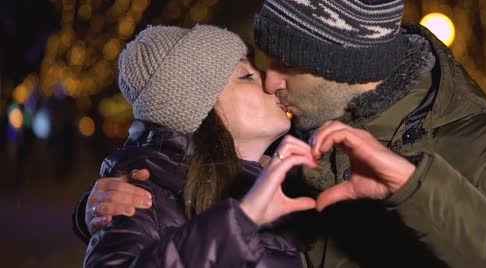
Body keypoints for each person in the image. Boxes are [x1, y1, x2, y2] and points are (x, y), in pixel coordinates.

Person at [76, 0, 486, 267]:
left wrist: (417, 191)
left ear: (341, 68)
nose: (270, 83)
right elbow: (186, 191)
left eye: (283, 66)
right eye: (258, 66)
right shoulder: (283, 148)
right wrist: (102, 210)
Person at [82, 24, 318, 267]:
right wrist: (232, 228)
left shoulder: (291, 178)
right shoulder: (141, 201)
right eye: (247, 76)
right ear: (198, 110)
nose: (270, 83)